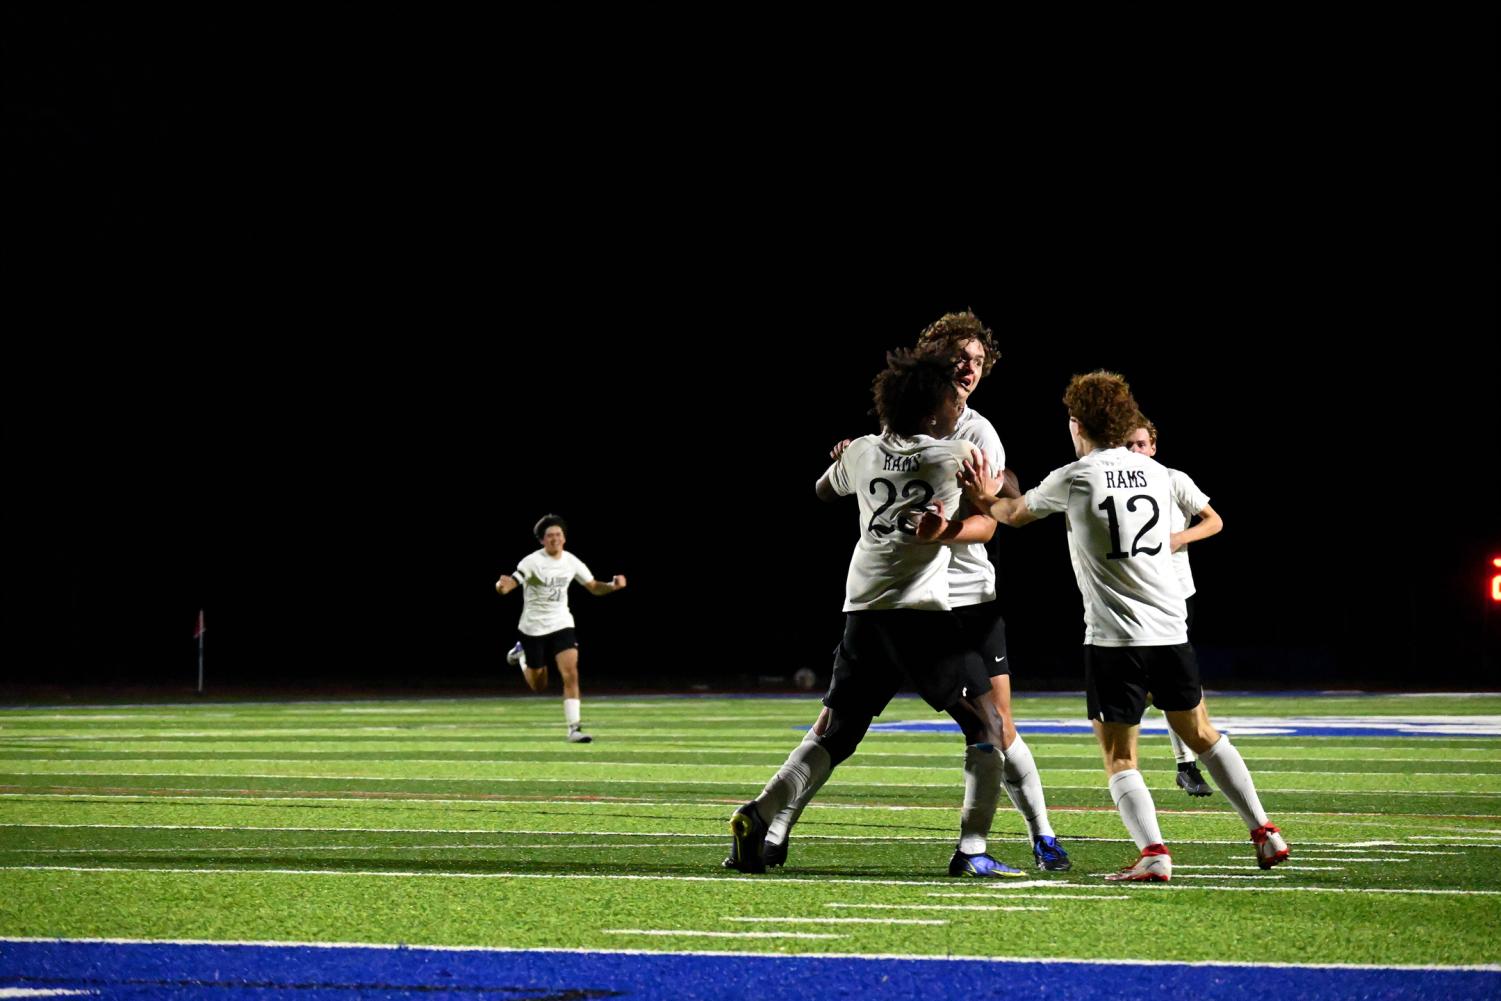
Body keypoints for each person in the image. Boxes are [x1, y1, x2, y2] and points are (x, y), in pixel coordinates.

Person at [762, 312, 1069, 873]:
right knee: (870, 725)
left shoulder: (974, 432)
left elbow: (990, 516)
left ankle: (1040, 834)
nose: (968, 369)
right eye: (959, 357)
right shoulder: (920, 434)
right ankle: (780, 825)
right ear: (931, 361)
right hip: (917, 605)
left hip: (962, 597)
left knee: (994, 725)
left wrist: (940, 526)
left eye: (978, 361)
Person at [960, 371, 1288, 881]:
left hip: (1116, 640)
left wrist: (983, 495)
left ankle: (1154, 853)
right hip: (1171, 629)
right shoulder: (1159, 474)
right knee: (1202, 733)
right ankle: (1264, 830)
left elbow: (1014, 513)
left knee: (1120, 755)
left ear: (1077, 423)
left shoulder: (1075, 475)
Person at [1124, 419, 1224, 797]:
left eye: (1140, 444)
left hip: (1174, 595)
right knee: (1158, 684)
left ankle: (1186, 764)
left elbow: (1214, 521)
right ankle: (1178, 762)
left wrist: (1180, 537)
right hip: (1131, 595)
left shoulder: (1172, 479)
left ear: (1153, 447)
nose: (1135, 452)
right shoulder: (1110, 482)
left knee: (1177, 681)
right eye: (1128, 445)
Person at [495, 515, 626, 743]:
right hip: (533, 628)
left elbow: (594, 587)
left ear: (564, 538)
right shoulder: (531, 562)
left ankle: (574, 728)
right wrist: (502, 587)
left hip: (561, 624)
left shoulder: (571, 561)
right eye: (549, 536)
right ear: (542, 541)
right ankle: (523, 654)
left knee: (571, 673)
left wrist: (612, 586)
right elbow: (511, 582)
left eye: (558, 535)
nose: (555, 539)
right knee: (539, 684)